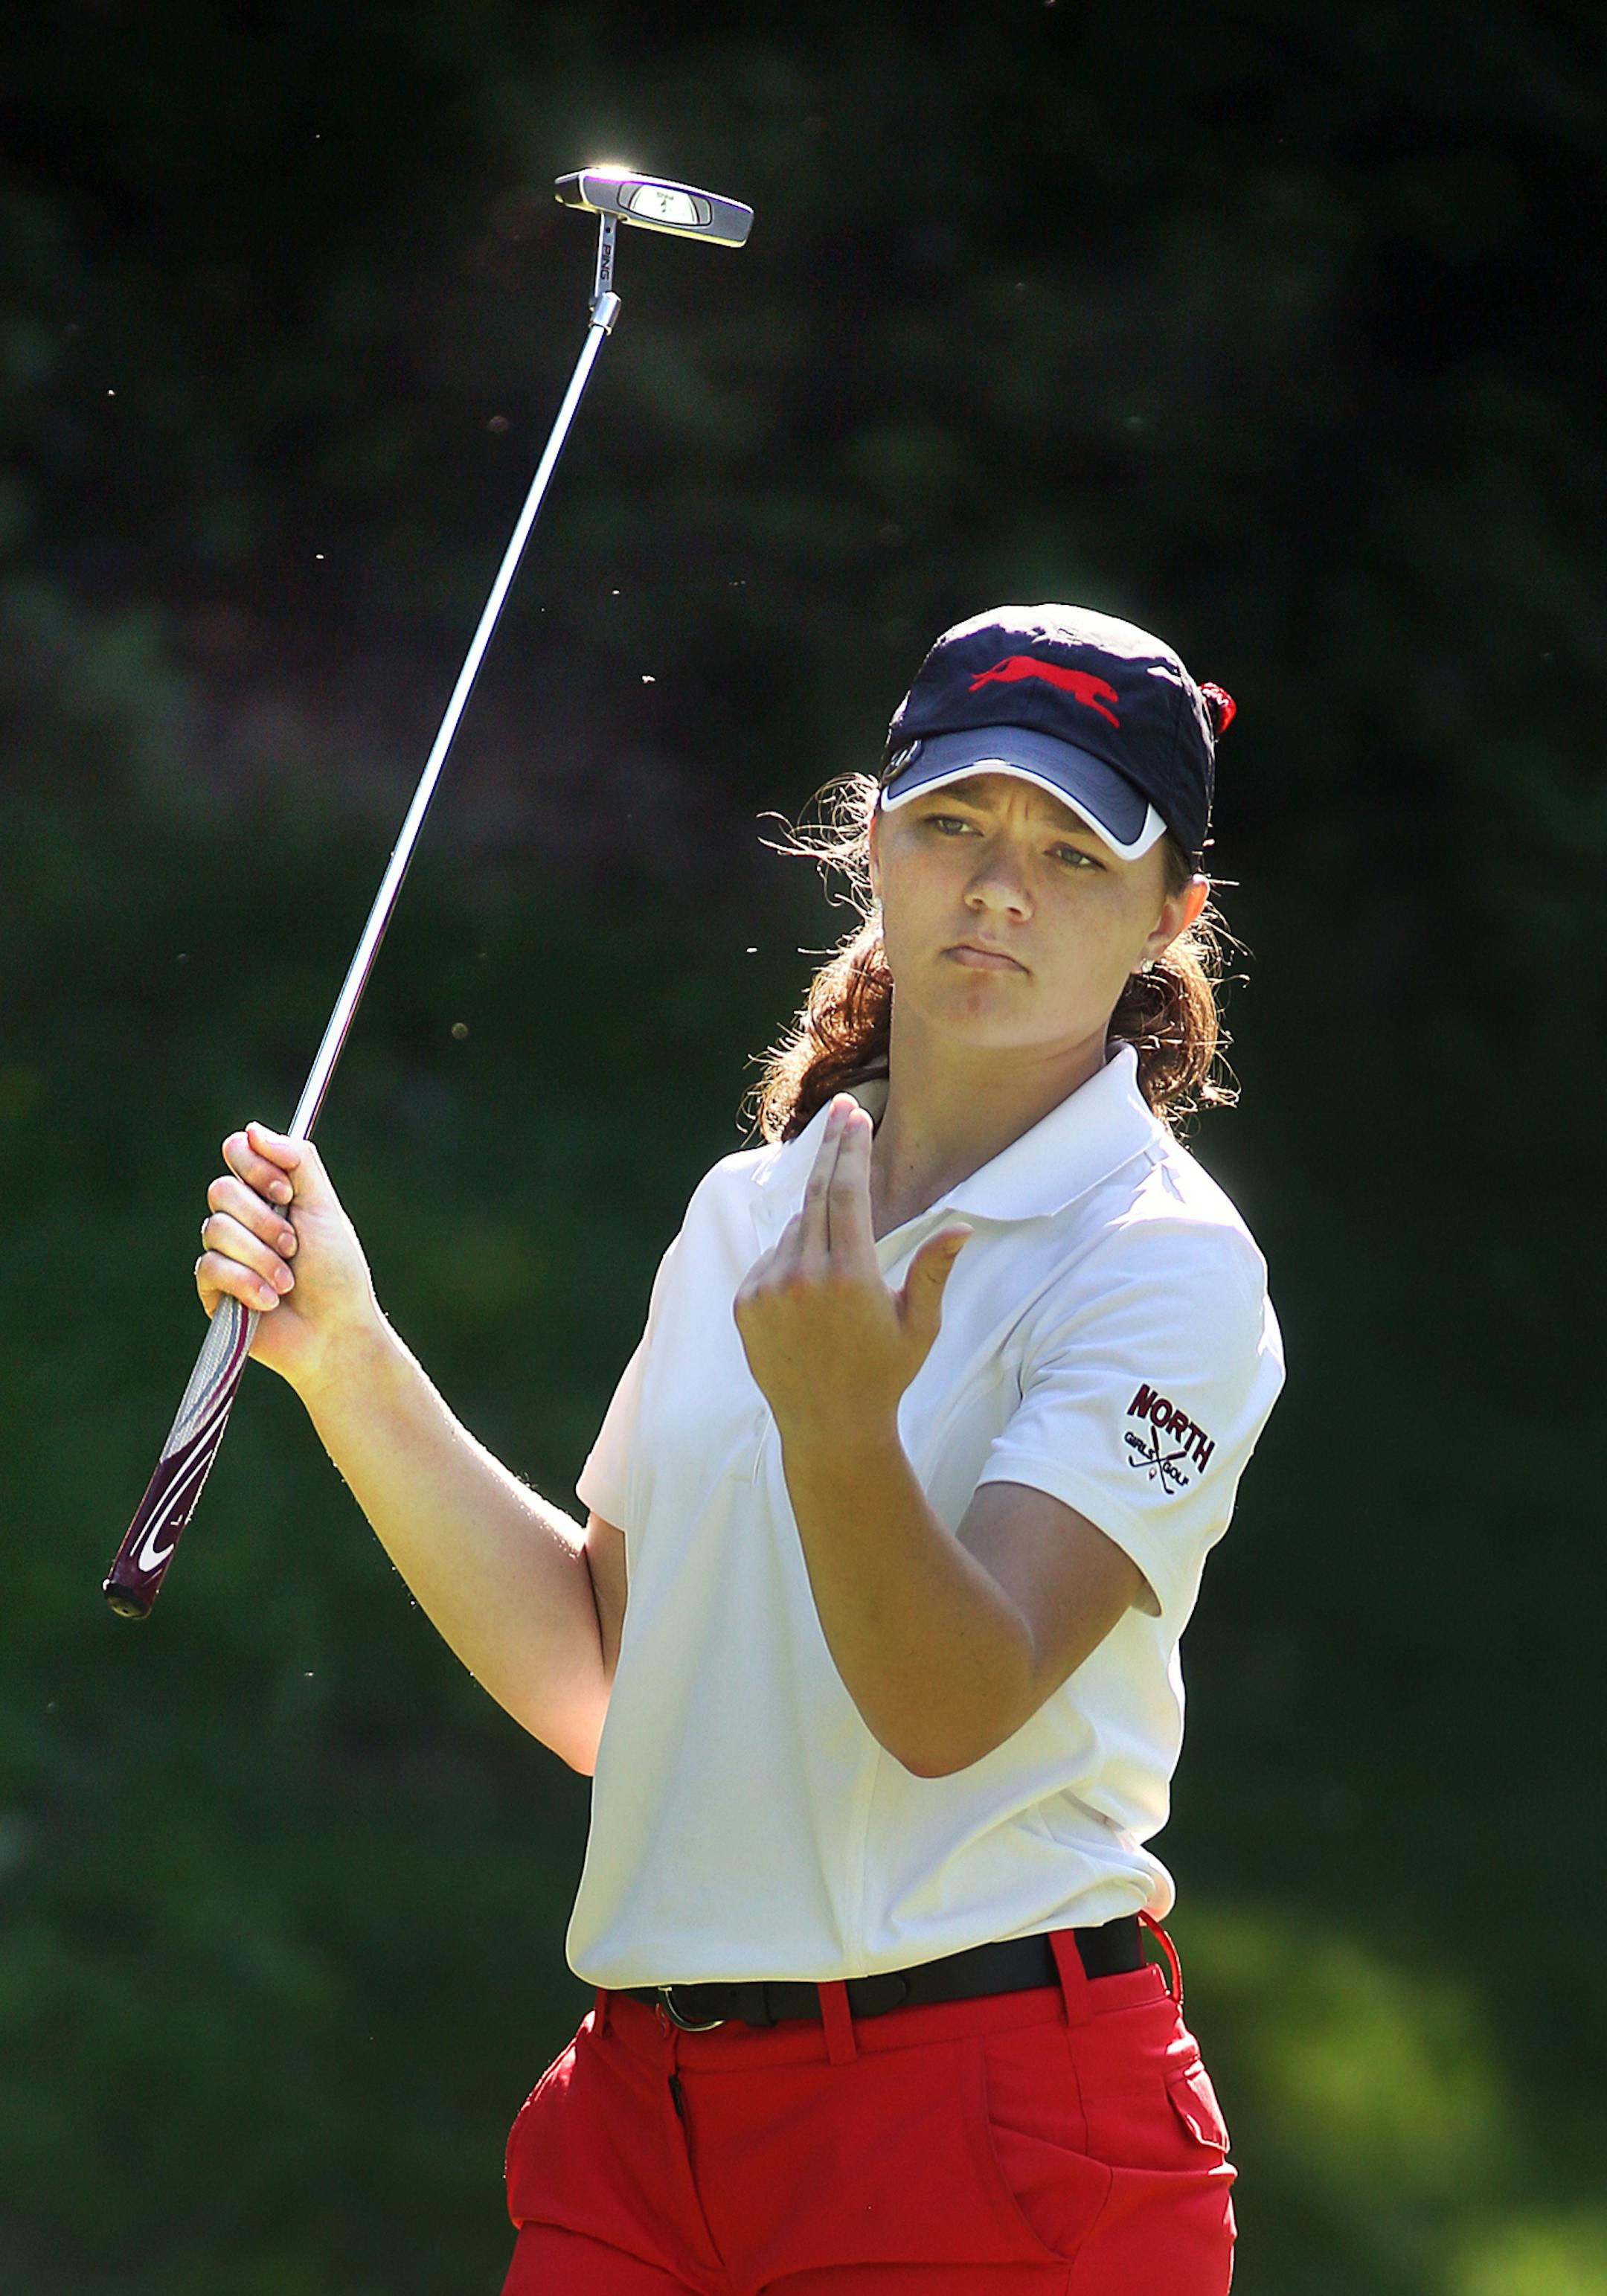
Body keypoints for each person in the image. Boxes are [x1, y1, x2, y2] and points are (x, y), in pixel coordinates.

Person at [196, 602, 1286, 2294]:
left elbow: (947, 1705)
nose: (1000, 887)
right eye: (954, 825)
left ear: (1171, 912)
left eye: (1076, 853)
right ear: (876, 840)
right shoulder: (747, 1219)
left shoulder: (1167, 1265)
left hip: (993, 2137)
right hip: (641, 2128)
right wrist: (344, 1355)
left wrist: (842, 1421)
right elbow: (603, 1682)